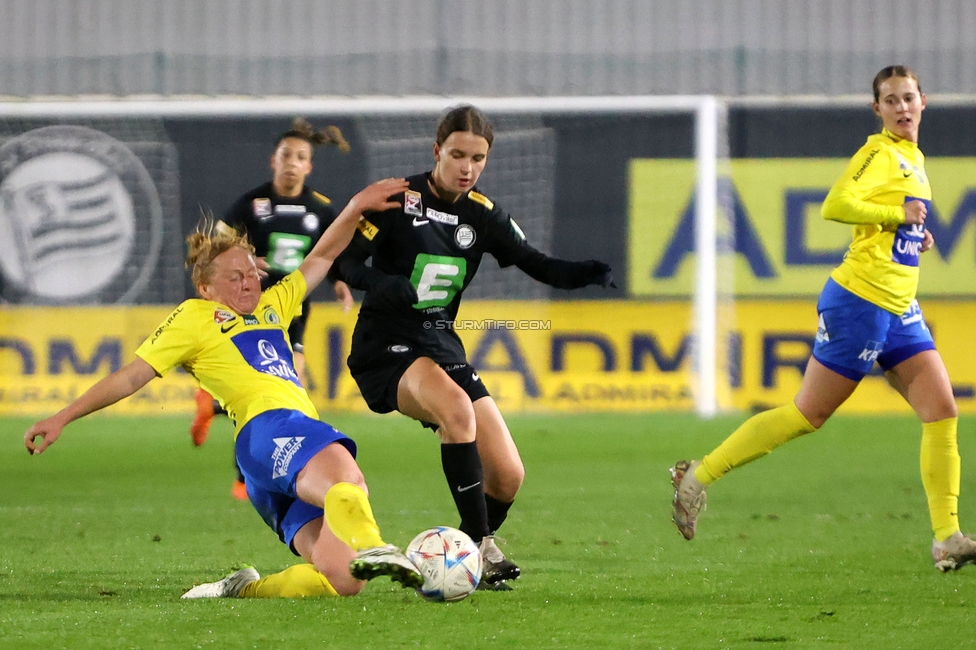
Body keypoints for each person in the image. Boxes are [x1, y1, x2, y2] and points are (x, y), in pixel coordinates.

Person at [24, 177, 425, 599]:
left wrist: (356, 205)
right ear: (205, 288)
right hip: (269, 428)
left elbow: (323, 254)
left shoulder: (276, 304)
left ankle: (240, 590)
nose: (249, 283)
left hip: (267, 457)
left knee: (342, 581)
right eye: (235, 277)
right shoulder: (195, 317)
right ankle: (376, 545)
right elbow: (130, 376)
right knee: (348, 479)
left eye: (252, 273)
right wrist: (62, 417)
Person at [669, 65, 976, 572]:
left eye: (908, 98)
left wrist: (910, 240)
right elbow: (836, 204)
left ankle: (947, 538)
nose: (901, 107)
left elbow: (879, 219)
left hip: (899, 305)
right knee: (807, 415)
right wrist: (900, 217)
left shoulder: (912, 157)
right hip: (860, 301)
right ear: (877, 109)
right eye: (890, 100)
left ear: (924, 101)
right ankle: (698, 476)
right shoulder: (878, 153)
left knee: (942, 411)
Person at [329, 105, 615, 589]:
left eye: (478, 158)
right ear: (437, 150)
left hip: (440, 343)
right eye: (458, 154)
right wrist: (377, 282)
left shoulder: (482, 215)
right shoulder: (398, 199)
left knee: (507, 476)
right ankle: (483, 546)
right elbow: (343, 262)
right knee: (457, 412)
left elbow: (538, 264)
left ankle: (456, 558)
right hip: (386, 344)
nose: (467, 167)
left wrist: (584, 272)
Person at [190, 118, 354, 501]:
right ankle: (246, 479)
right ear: (273, 161)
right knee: (274, 389)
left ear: (309, 166)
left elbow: (330, 254)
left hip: (295, 307)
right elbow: (217, 247)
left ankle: (212, 407)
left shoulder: (321, 208)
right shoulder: (252, 204)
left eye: (301, 157)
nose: (292, 163)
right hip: (254, 306)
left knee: (283, 389)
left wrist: (341, 281)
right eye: (286, 156)